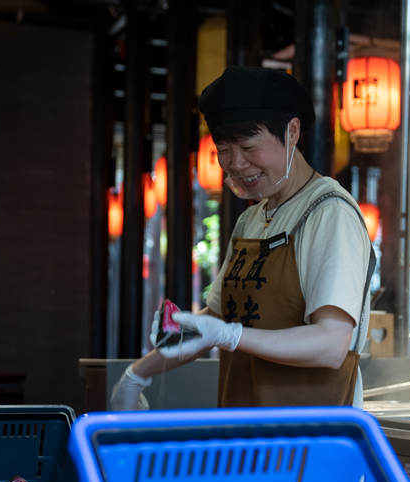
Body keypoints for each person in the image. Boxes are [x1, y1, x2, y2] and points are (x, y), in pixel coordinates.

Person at [110, 66, 374, 410]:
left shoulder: (328, 212)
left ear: (292, 131)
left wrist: (230, 336)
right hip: (246, 427)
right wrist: (137, 375)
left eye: (249, 146)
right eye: (224, 150)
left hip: (311, 438)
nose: (235, 164)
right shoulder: (252, 219)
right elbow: (218, 320)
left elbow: (330, 345)